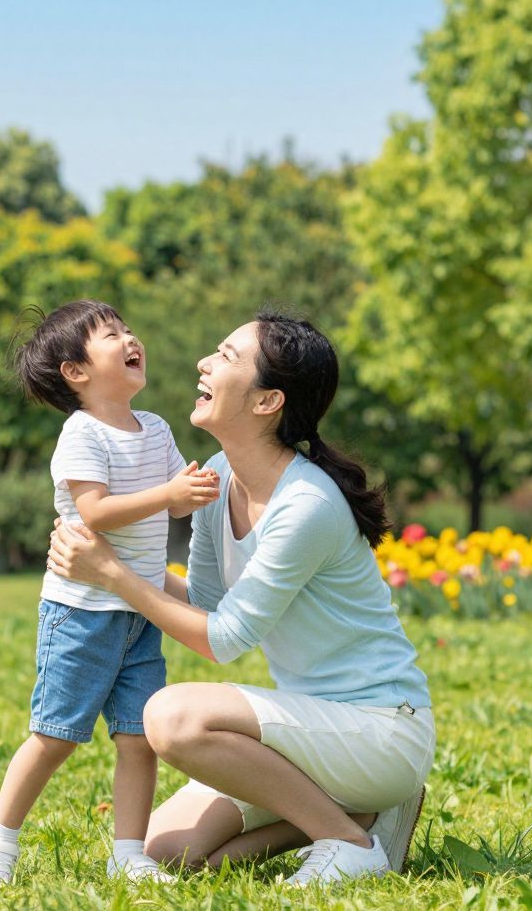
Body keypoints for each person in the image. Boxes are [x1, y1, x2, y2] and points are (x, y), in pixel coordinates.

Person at [47, 310, 434, 890]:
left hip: (378, 733)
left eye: (226, 357)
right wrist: (102, 565)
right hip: (309, 735)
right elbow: (204, 601)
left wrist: (115, 578)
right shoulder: (221, 476)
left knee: (171, 717)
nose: (203, 363)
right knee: (166, 851)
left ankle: (347, 844)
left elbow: (222, 640)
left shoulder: (306, 504)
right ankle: (362, 821)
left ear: (266, 401)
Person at [0, 300, 220, 888]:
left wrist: (195, 489)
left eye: (128, 329)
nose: (131, 339)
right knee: (55, 735)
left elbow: (178, 494)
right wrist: (169, 493)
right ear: (76, 373)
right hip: (80, 614)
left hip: (139, 613)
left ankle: (129, 854)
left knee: (139, 739)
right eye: (112, 335)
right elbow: (96, 513)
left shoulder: (154, 428)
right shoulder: (81, 434)